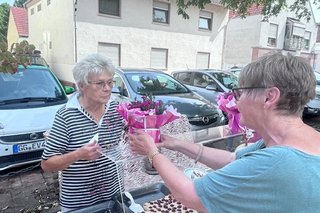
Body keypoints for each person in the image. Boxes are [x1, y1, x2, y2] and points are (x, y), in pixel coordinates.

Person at [129, 52, 320, 212]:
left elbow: (189, 194)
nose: (236, 101)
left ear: (269, 97)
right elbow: (231, 160)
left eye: (240, 92)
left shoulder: (275, 162)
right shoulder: (294, 140)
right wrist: (177, 144)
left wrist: (152, 153)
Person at [41, 54, 125, 212]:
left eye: (110, 82)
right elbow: (46, 164)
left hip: (114, 195)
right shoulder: (66, 116)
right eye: (100, 83)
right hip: (80, 203)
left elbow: (129, 133)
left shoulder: (116, 108)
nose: (107, 88)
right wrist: (78, 154)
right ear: (81, 85)